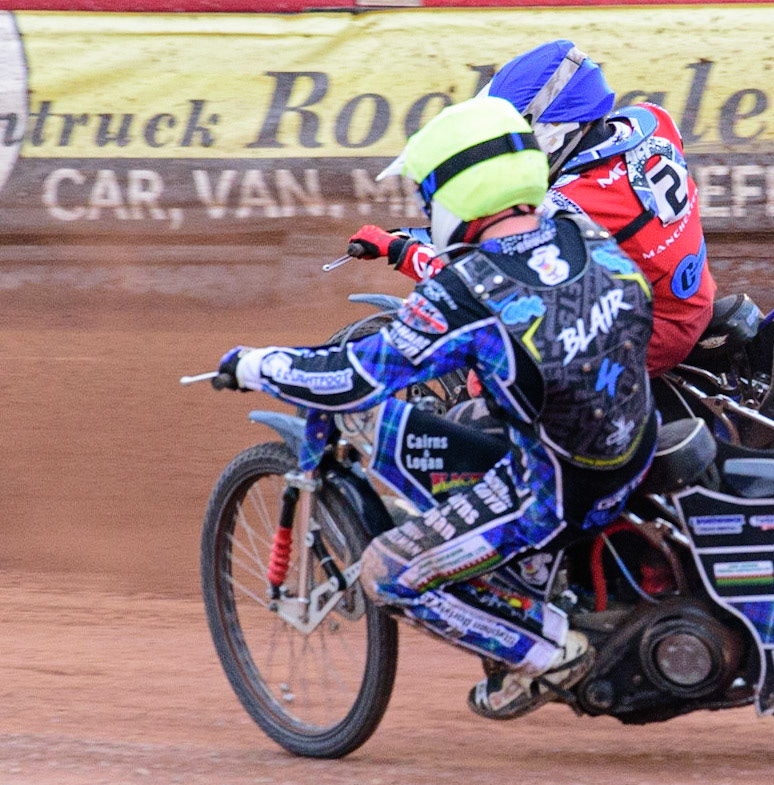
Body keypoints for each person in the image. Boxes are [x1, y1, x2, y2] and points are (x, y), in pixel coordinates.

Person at [215, 96, 657, 719]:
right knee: (476, 420)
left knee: (387, 570)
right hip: (634, 439)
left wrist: (257, 364)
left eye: (429, 193)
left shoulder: (464, 292)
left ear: (458, 191)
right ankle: (531, 588)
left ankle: (548, 653)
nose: (427, 207)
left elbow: (354, 378)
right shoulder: (576, 227)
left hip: (557, 493)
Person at [352, 40, 715, 378]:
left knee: (500, 362)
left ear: (554, 131)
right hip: (686, 292)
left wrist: (401, 250)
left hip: (653, 334)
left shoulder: (573, 204)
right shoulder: (651, 121)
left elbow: (489, 282)